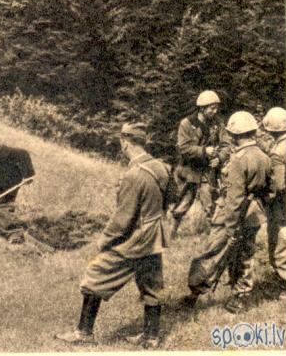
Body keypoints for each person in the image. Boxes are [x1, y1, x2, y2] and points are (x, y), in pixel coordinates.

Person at [56, 123, 170, 349]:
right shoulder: (162, 167)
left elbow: (122, 219)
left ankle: (84, 333)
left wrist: (103, 241)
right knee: (151, 285)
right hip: (155, 235)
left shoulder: (134, 175)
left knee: (95, 274)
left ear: (125, 142)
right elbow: (169, 200)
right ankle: (151, 337)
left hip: (135, 238)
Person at [184, 111, 271, 314]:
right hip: (253, 215)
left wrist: (230, 228)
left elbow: (234, 199)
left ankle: (195, 292)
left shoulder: (239, 159)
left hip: (230, 217)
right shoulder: (264, 157)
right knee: (244, 255)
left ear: (235, 135)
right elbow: (269, 189)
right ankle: (240, 296)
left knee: (211, 253)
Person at [171, 90, 232, 235]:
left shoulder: (218, 124)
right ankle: (170, 233)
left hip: (208, 171)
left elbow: (226, 145)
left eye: (216, 108)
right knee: (183, 204)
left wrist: (220, 158)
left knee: (210, 204)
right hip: (189, 170)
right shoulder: (187, 124)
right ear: (202, 108)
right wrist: (204, 151)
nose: (215, 111)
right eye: (211, 108)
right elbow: (184, 149)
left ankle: (212, 236)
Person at [262, 107, 286, 301]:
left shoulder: (278, 151)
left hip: (284, 203)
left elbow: (278, 184)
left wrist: (268, 197)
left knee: (281, 239)